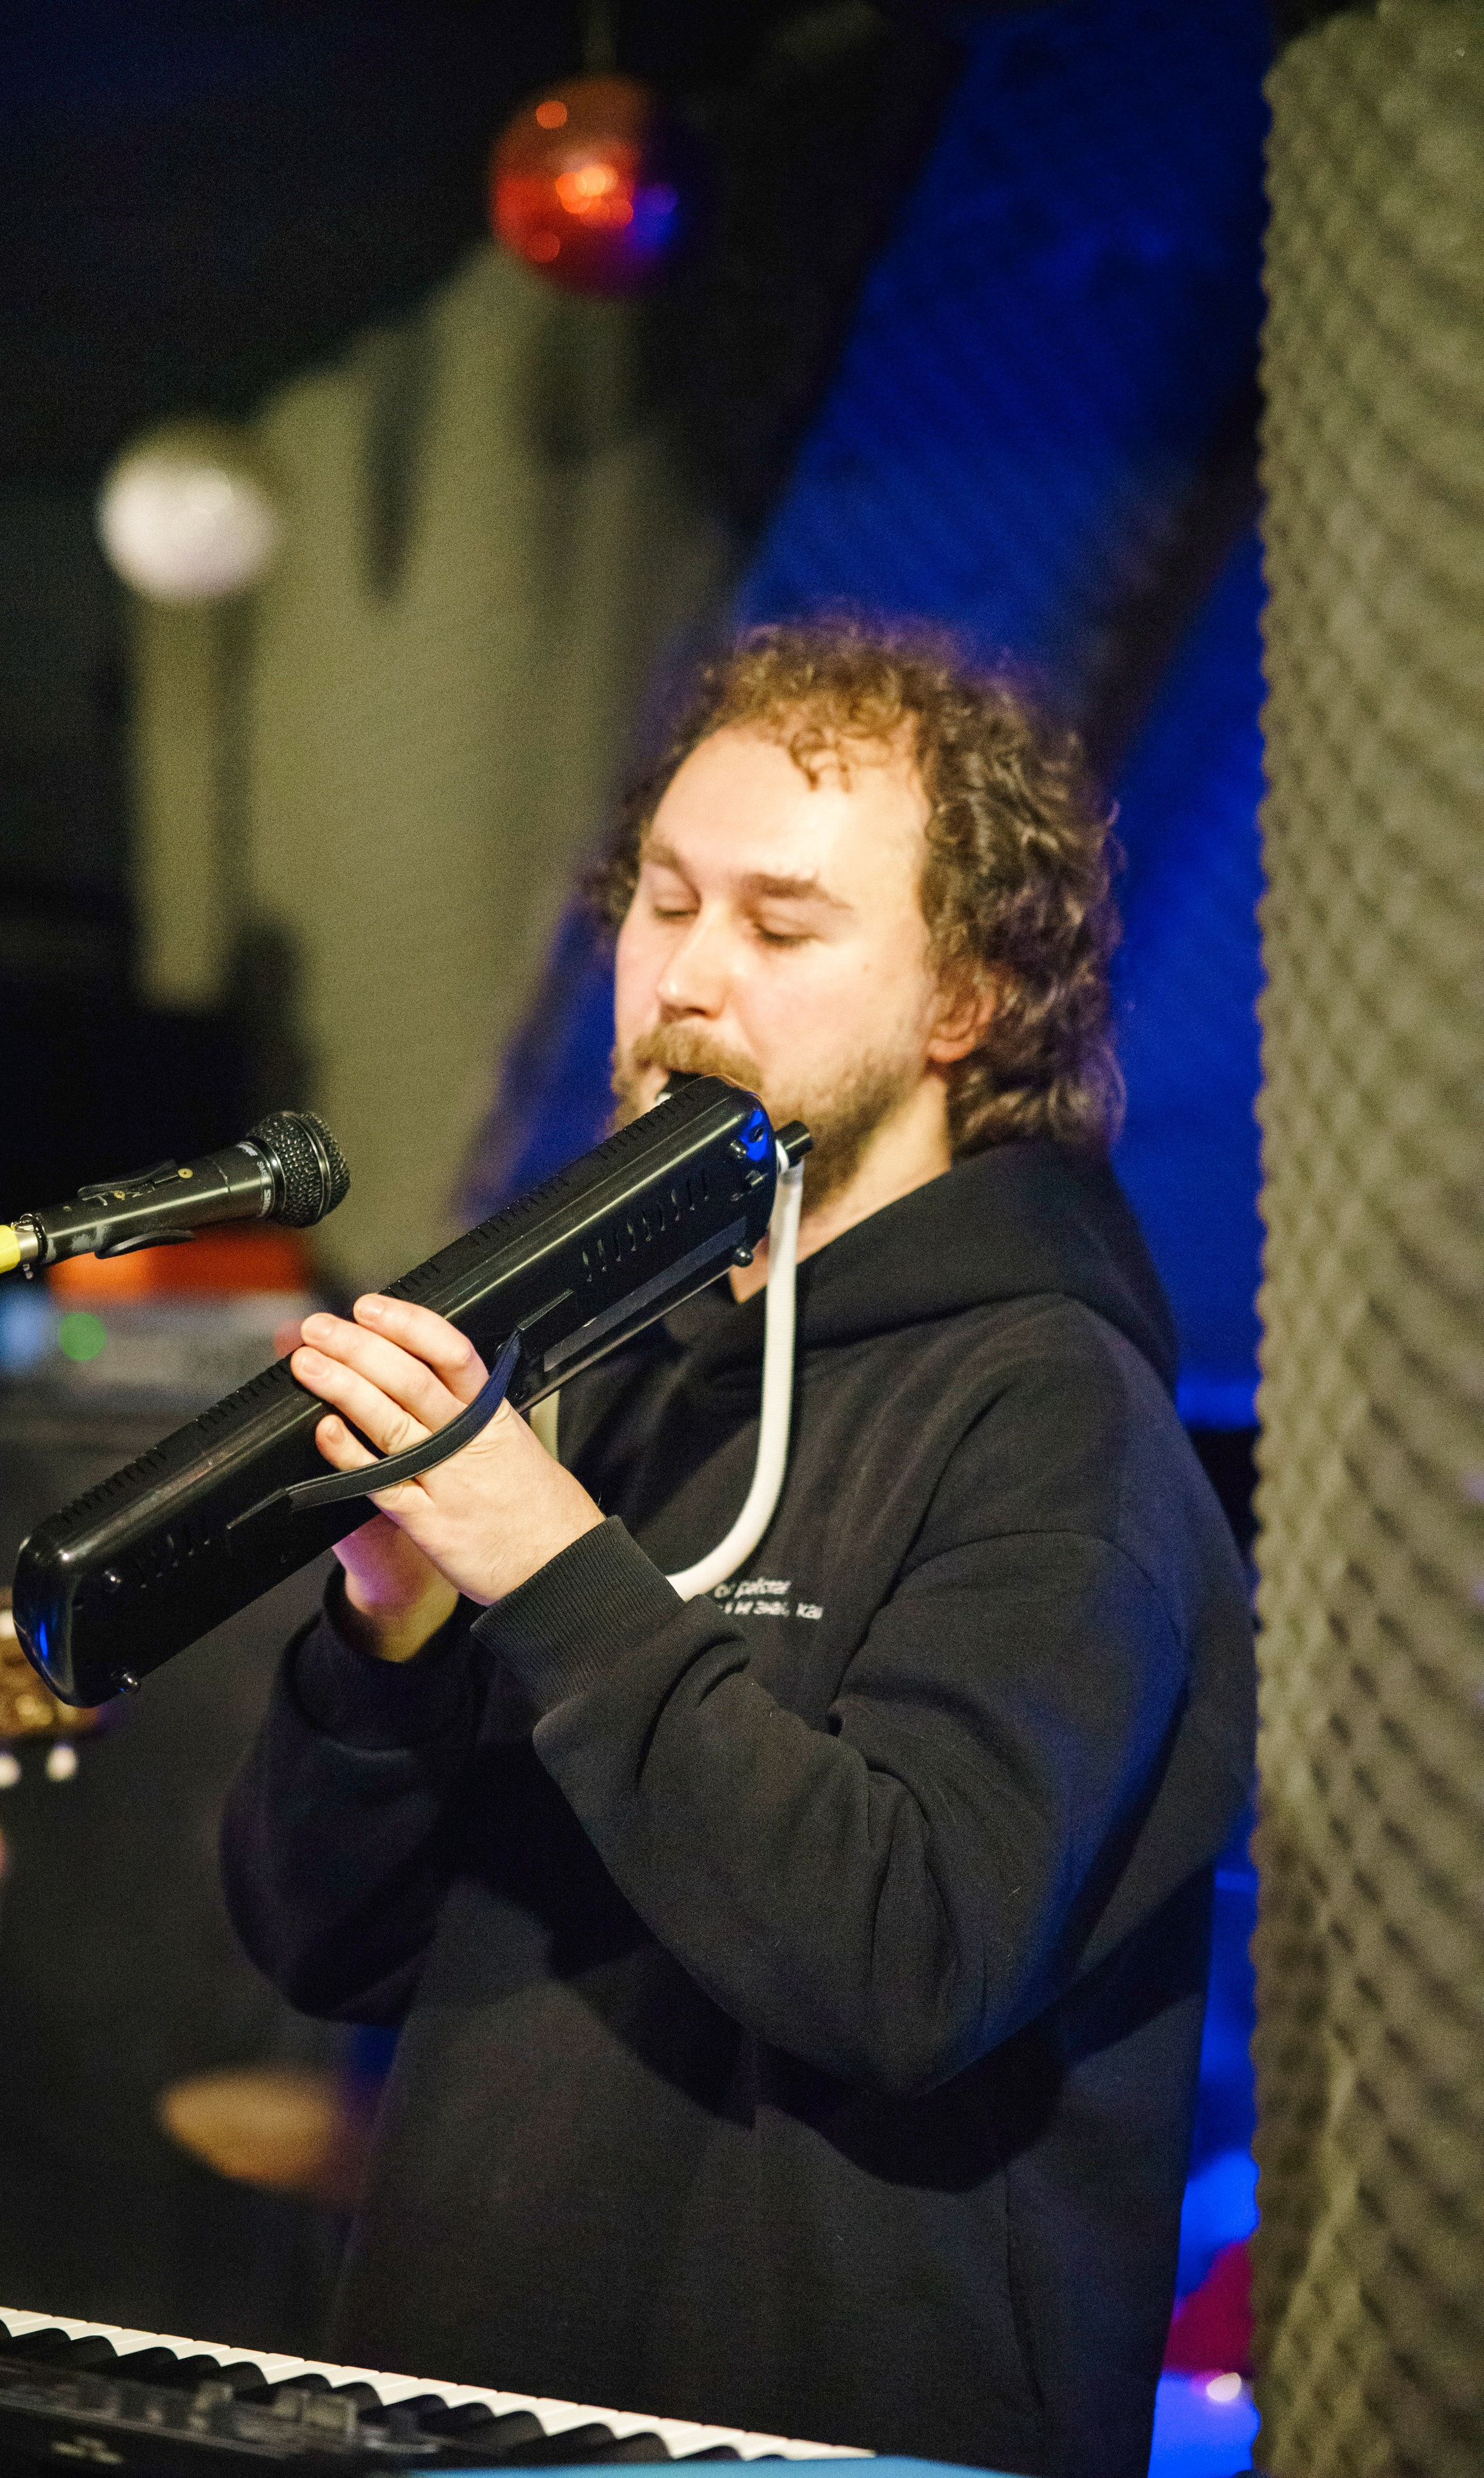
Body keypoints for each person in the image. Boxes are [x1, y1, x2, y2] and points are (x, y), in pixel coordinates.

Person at [221, 621, 1255, 2478]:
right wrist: (383, 1642)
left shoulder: (1055, 1416)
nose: (689, 977)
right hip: (461, 2419)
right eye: (663, 903)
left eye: (781, 930)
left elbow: (908, 1956)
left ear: (966, 1003)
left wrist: (549, 1567)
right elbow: (328, 1944)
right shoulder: (616, 1380)